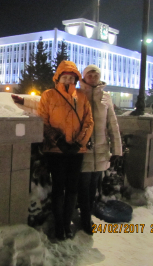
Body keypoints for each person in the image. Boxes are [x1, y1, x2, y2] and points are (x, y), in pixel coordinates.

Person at [37, 61, 94, 240]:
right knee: (58, 187)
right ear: (58, 77)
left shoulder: (82, 96)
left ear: (76, 79)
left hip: (76, 151)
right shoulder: (48, 95)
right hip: (56, 150)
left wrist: (79, 143)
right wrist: (59, 141)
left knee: (72, 188)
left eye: (71, 77)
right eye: (65, 77)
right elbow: (42, 120)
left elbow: (88, 122)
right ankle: (59, 226)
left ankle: (67, 223)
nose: (68, 80)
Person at [78, 64, 122, 235]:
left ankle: (88, 214)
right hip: (83, 150)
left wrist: (117, 149)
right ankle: (85, 219)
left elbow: (113, 124)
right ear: (84, 77)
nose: (93, 77)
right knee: (83, 186)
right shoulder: (78, 94)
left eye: (96, 74)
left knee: (93, 186)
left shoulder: (106, 97)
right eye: (90, 74)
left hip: (101, 150)